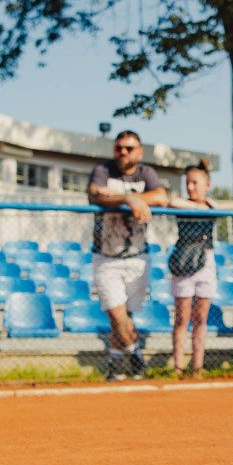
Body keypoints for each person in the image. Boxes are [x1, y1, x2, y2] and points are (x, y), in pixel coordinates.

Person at [87, 130, 167, 380]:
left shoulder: (146, 173)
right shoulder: (103, 170)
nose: (123, 152)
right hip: (106, 257)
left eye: (129, 148)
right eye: (119, 147)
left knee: (125, 316)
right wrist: (129, 199)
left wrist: (125, 198)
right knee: (116, 312)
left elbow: (162, 197)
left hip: (137, 257)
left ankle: (114, 365)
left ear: (139, 152)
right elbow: (94, 195)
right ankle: (136, 356)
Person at [167, 160, 233, 376]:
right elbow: (173, 202)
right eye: (188, 183)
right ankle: (178, 367)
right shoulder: (183, 203)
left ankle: (197, 366)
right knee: (182, 317)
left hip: (206, 262)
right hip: (184, 262)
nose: (190, 187)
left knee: (200, 317)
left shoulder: (212, 205)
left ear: (207, 184)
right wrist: (199, 206)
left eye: (195, 182)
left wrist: (214, 206)